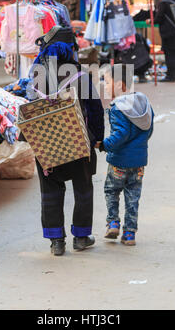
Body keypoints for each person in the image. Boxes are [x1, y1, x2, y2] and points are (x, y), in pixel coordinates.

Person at [28, 26, 105, 256]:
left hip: (47, 144)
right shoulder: (81, 77)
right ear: (70, 50)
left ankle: (56, 242)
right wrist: (97, 138)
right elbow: (96, 111)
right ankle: (81, 237)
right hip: (79, 141)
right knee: (83, 188)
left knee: (50, 190)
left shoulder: (37, 78)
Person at [97, 65, 154, 246]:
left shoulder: (118, 107)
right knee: (133, 196)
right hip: (138, 162)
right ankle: (129, 234)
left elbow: (121, 134)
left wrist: (104, 145)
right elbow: (149, 128)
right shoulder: (144, 104)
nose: (105, 86)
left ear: (120, 84)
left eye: (107, 82)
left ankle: (113, 222)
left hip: (119, 161)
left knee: (111, 191)